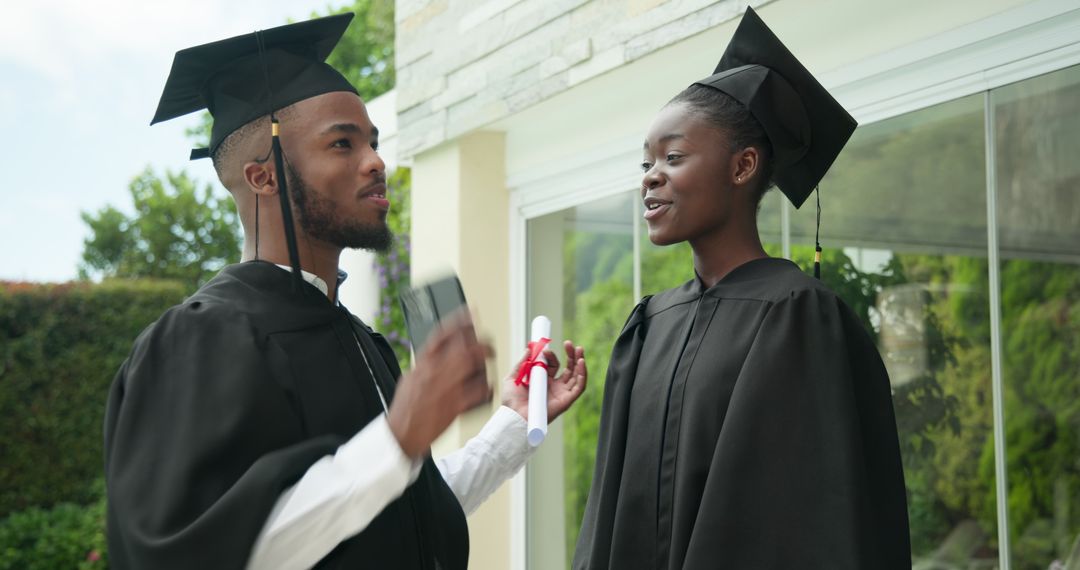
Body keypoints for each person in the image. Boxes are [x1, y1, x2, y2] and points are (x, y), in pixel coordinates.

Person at [103, 13, 588, 570]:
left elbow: (404, 516)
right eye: (343, 143)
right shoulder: (202, 337)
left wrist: (513, 426)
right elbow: (212, 553)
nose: (377, 162)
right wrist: (399, 436)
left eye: (374, 142)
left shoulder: (355, 337)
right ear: (263, 178)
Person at [572, 7, 910, 569]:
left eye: (673, 157)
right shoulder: (649, 326)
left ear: (743, 165)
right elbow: (604, 524)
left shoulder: (798, 316)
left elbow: (804, 527)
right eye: (646, 161)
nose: (650, 176)